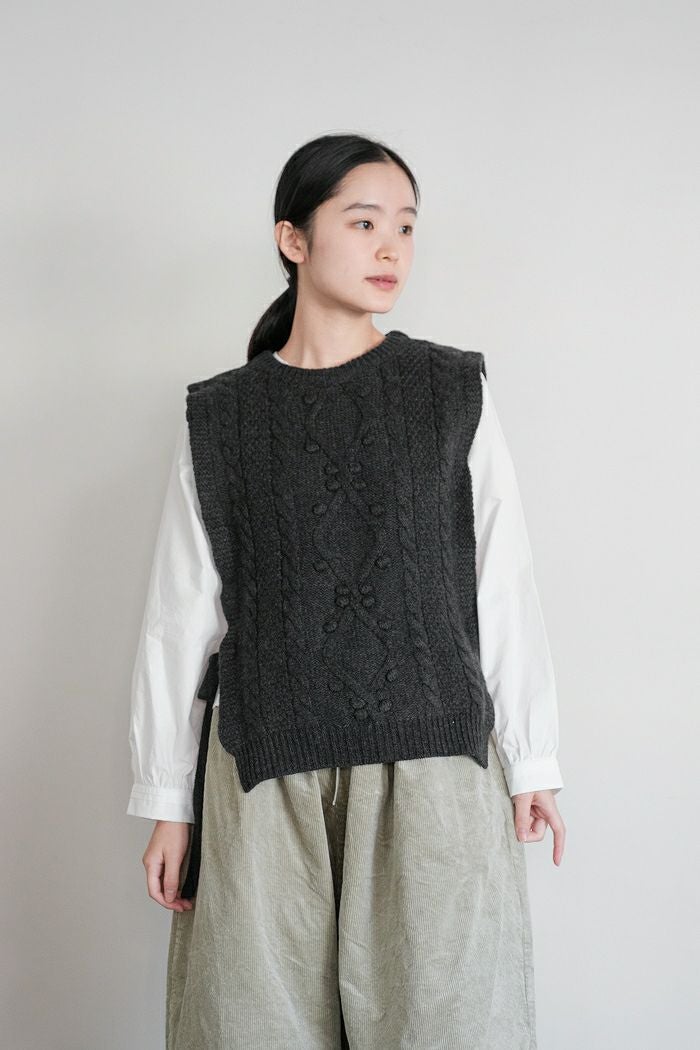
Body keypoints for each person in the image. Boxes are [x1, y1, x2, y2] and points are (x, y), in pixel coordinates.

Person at [127, 132, 566, 1050]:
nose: (391, 248)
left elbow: (501, 579)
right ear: (293, 239)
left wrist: (532, 761)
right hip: (265, 770)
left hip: (433, 768)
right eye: (363, 223)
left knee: (450, 1024)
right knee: (251, 1027)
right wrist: (168, 801)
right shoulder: (222, 416)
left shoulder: (450, 390)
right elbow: (180, 617)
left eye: (405, 226)